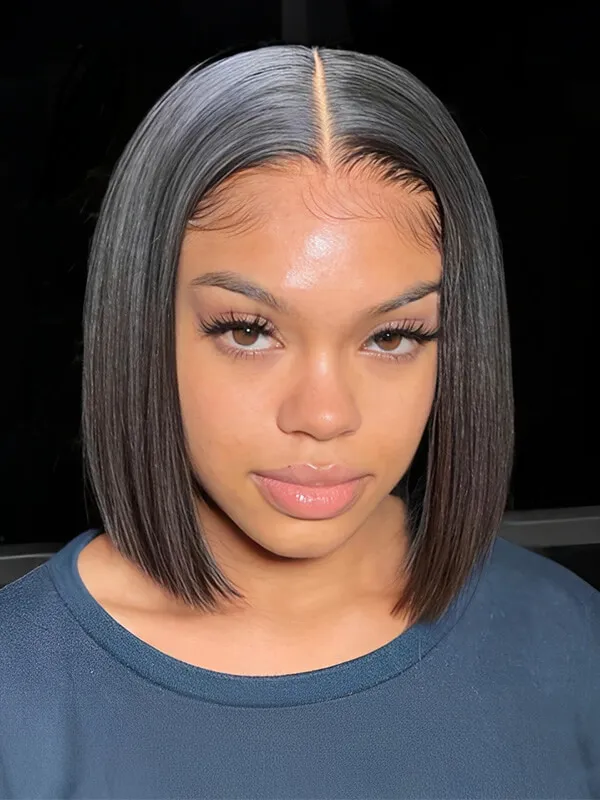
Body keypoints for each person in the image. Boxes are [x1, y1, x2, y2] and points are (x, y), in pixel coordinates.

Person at [0, 43, 598, 800]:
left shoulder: (572, 642)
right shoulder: (19, 694)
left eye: (393, 337)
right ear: (140, 326)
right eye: (249, 331)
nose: (324, 416)